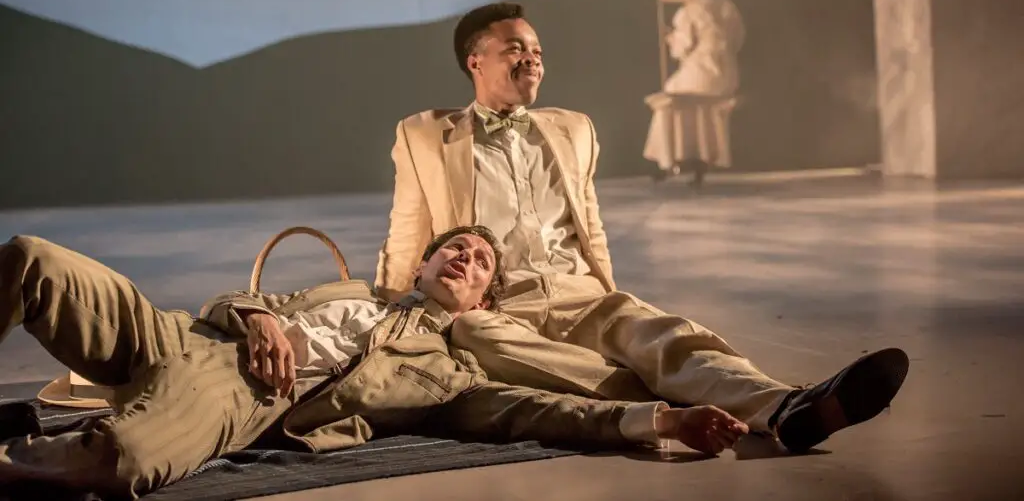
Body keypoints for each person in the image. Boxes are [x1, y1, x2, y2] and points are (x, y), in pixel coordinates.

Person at [375, 1, 910, 455]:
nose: (532, 58)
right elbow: (406, 233)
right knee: (473, 335)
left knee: (659, 334)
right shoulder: (425, 135)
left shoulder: (573, 128)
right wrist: (389, 327)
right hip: (495, 304)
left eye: (536, 50)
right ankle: (668, 400)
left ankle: (787, 406)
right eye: (515, 48)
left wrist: (610, 297)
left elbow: (591, 227)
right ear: (475, 61)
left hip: (576, 292)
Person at [0, 227, 747, 498]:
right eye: (456, 247)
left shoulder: (449, 367)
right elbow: (234, 293)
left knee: (126, 456)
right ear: (423, 264)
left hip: (250, 388)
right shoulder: (350, 286)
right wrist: (258, 312)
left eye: (482, 261)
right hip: (177, 333)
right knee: (31, 260)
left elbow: (538, 411)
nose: (467, 256)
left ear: (481, 297)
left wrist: (661, 418)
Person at [643, 0, 746, 185]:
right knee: (702, 111)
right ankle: (702, 160)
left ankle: (669, 161)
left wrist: (670, 38)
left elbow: (682, 47)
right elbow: (737, 38)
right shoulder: (725, 5)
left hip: (700, 73)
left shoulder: (688, 12)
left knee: (668, 103)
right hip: (725, 72)